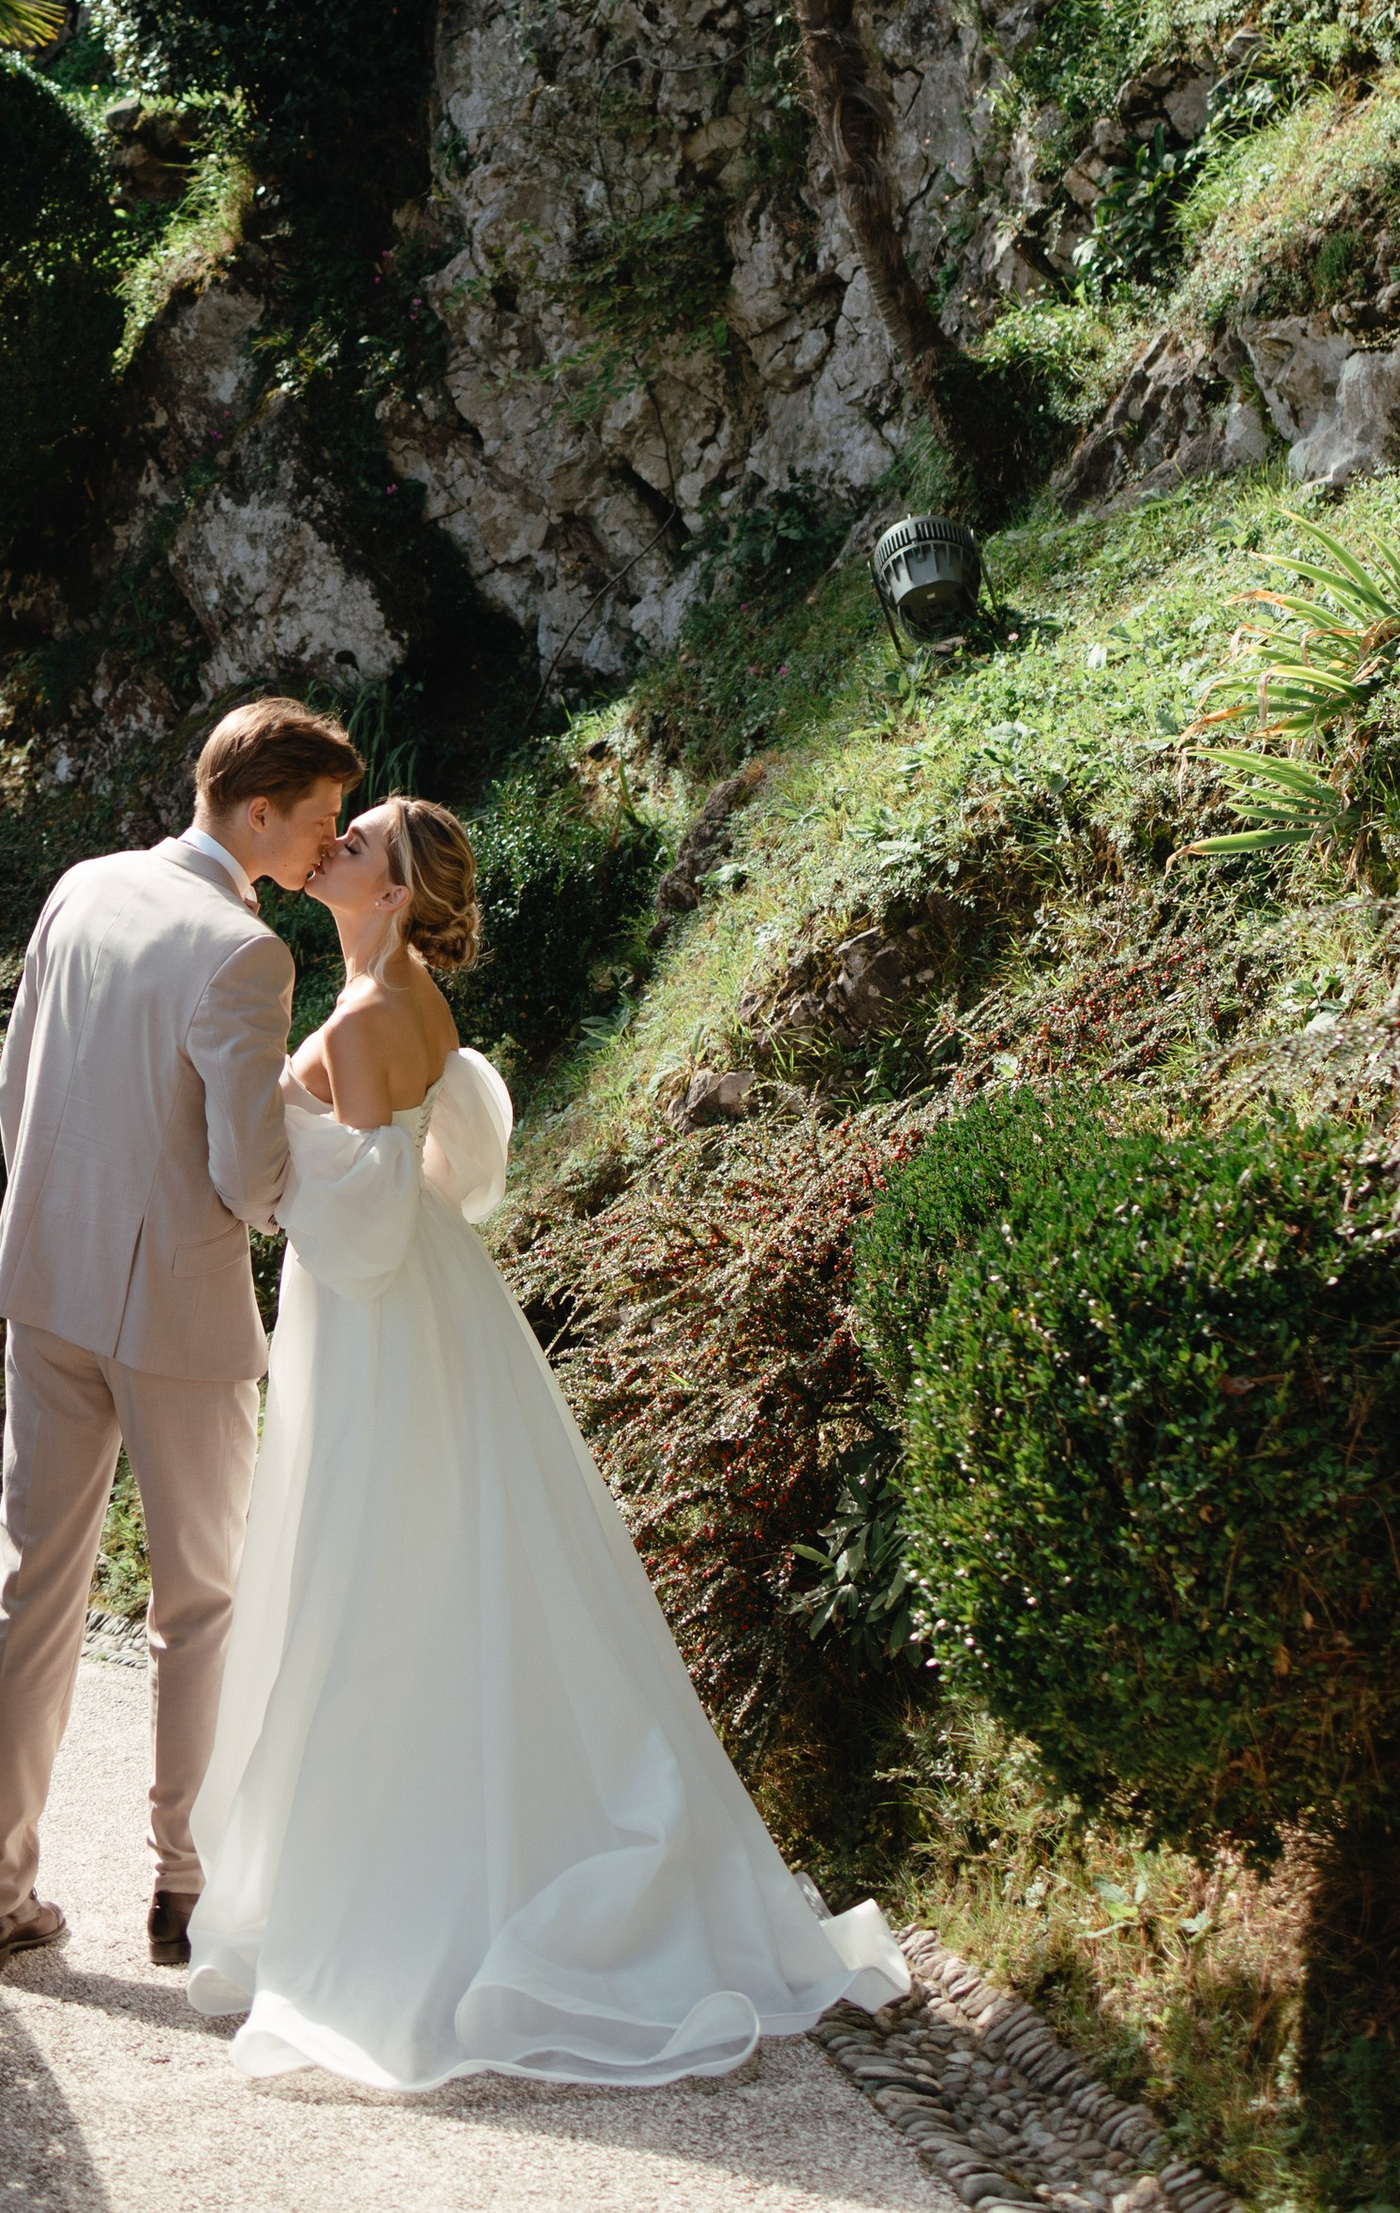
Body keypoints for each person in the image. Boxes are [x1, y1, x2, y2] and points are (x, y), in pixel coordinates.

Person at [184, 792, 908, 2087]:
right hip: (439, 1314)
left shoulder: (361, 1016)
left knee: (378, 1585)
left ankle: (414, 1896)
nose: (334, 844)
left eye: (360, 845)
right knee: (460, 1576)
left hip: (379, 1322)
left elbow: (359, 1229)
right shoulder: (409, 1000)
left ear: (394, 893)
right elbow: (434, 1159)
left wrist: (271, 1165)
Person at [0, 696, 361, 1978]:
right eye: (319, 820)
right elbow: (246, 1179)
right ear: (257, 811)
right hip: (172, 1312)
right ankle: (185, 1891)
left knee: (31, 1582)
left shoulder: (81, 887)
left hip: (46, 1277)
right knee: (198, 1603)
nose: (325, 846)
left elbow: (19, 1081)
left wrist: (59, 1221)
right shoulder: (243, 955)